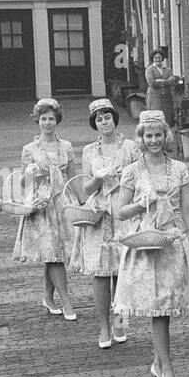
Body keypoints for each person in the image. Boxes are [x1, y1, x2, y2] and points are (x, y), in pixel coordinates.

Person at [112, 109, 189, 377]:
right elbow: (120, 211)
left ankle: (157, 362)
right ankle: (167, 367)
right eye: (148, 135)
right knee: (158, 310)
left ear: (166, 136)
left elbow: (187, 209)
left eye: (159, 135)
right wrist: (141, 204)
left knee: (166, 307)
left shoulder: (179, 168)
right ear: (141, 138)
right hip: (147, 245)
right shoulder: (132, 171)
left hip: (173, 241)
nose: (154, 140)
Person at [69, 97, 139, 349]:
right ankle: (103, 327)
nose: (104, 122)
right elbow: (86, 190)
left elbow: (140, 181)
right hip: (99, 215)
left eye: (107, 117)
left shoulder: (131, 147)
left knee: (122, 271)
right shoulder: (89, 151)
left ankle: (121, 321)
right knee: (100, 273)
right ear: (94, 124)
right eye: (99, 119)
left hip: (122, 213)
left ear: (114, 119)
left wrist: (125, 179)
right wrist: (98, 178)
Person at [13, 97, 76, 320]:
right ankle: (67, 302)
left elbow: (73, 178)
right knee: (53, 255)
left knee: (55, 253)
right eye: (43, 119)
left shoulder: (66, 146)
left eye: (51, 118)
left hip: (62, 202)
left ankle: (48, 298)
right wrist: (29, 174)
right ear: (37, 121)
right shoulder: (29, 149)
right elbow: (22, 183)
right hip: (41, 205)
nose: (47, 123)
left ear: (57, 120)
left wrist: (84, 203)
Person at [143, 46, 180, 128]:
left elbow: (173, 81)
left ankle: (167, 138)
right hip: (154, 98)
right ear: (152, 59)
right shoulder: (149, 69)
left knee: (168, 119)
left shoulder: (167, 69)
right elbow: (152, 83)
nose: (157, 59)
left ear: (162, 58)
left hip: (167, 97)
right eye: (155, 58)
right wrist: (167, 81)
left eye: (159, 58)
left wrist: (161, 81)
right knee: (156, 119)